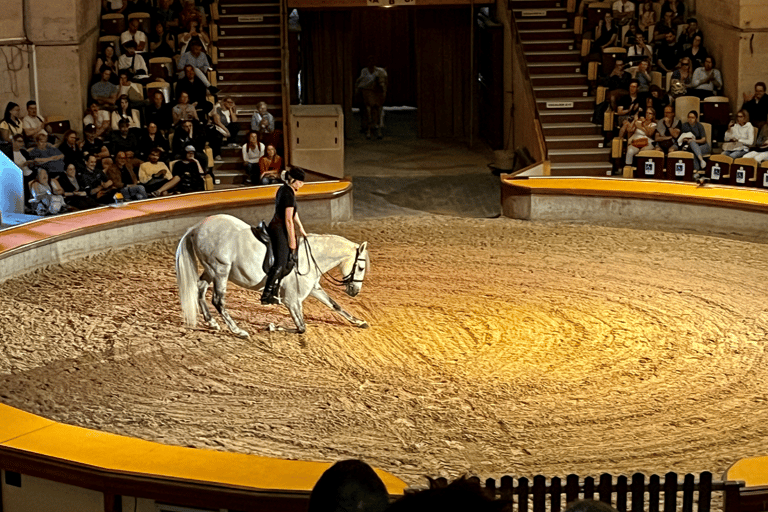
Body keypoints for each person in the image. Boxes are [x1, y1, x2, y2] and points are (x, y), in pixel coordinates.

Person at [260, 166, 308, 305]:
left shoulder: (286, 189)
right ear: (294, 180)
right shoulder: (287, 193)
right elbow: (288, 219)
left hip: (279, 225)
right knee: (281, 261)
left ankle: (275, 290)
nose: (302, 184)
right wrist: (292, 239)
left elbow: (294, 213)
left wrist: (301, 228)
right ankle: (267, 294)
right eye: (300, 181)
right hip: (279, 228)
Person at [355, 56, 387, 139]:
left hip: (376, 88)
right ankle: (366, 128)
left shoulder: (379, 71)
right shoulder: (364, 71)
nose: (372, 64)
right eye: (370, 62)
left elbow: (383, 77)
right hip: (366, 88)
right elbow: (362, 80)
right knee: (361, 94)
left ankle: (378, 128)